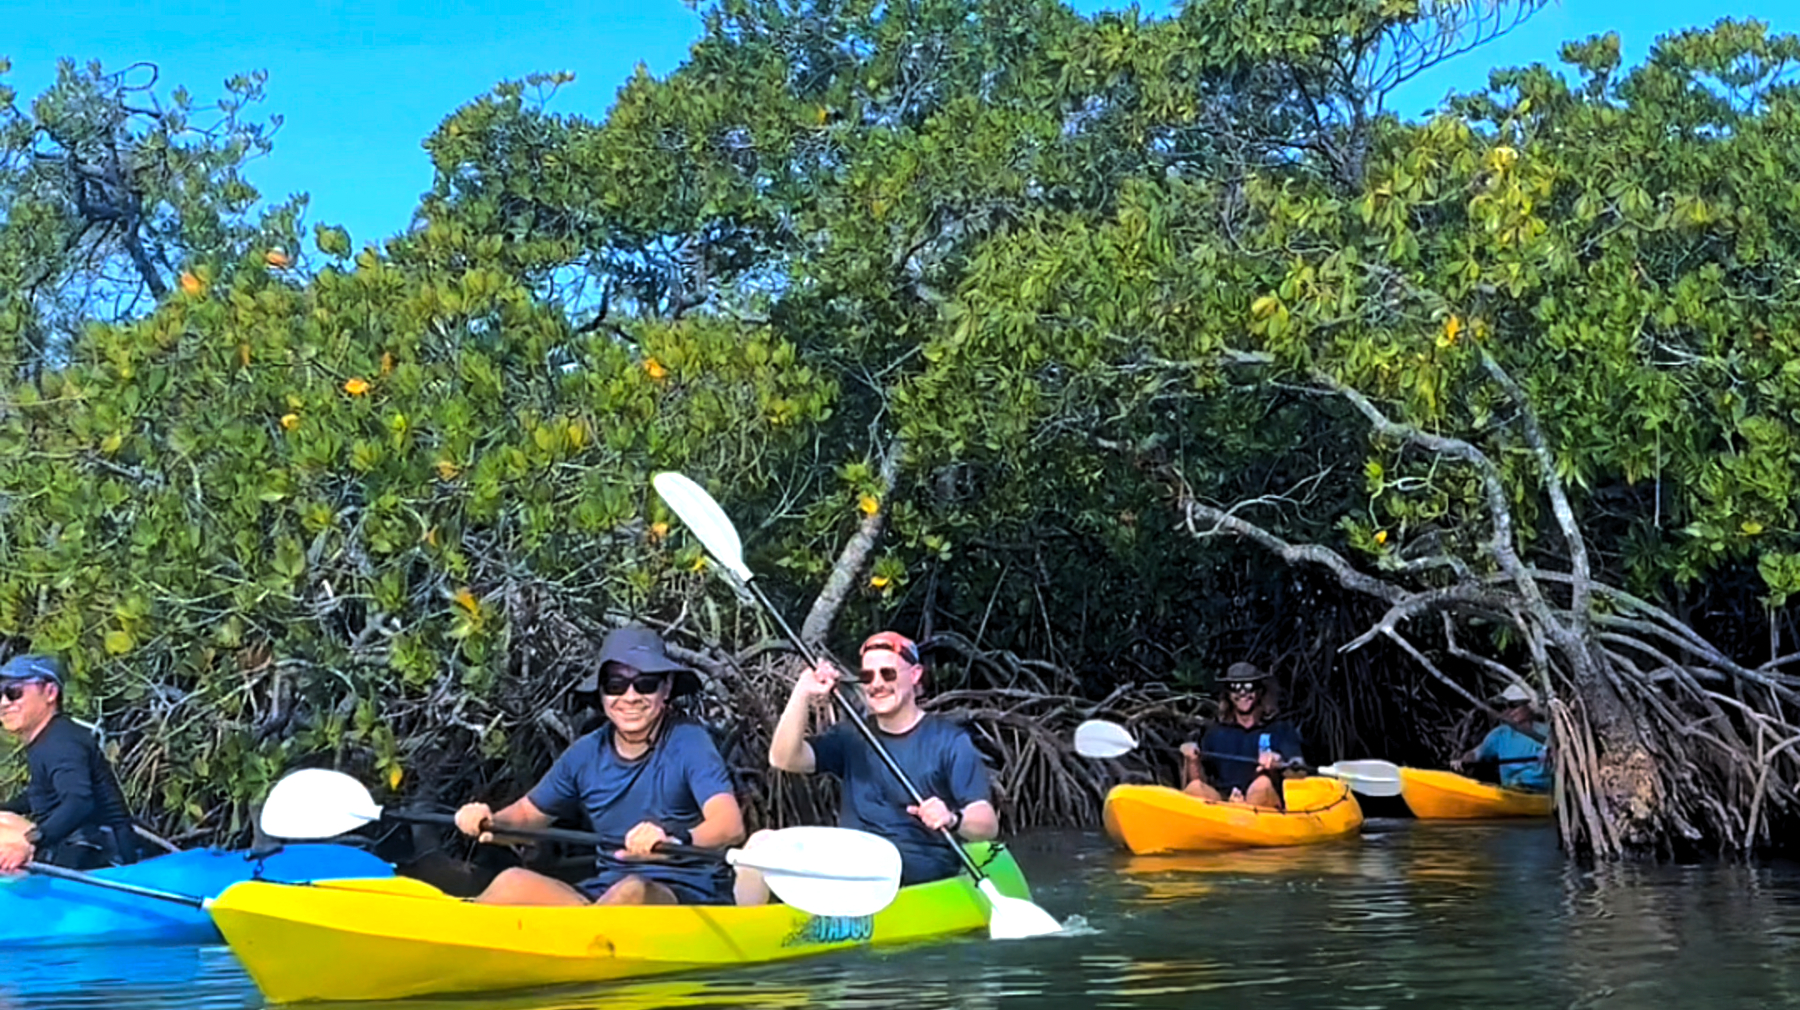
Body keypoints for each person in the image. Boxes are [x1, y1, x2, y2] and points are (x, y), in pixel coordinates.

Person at [452, 625, 745, 906]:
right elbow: (527, 815)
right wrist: (489, 821)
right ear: (602, 692)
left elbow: (729, 825)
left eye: (646, 684)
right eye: (616, 685)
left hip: (686, 894)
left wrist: (674, 841)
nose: (630, 697)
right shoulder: (585, 753)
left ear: (666, 688)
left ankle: (590, 927)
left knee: (634, 891)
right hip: (604, 892)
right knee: (511, 882)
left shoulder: (690, 741)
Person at [737, 630, 997, 904]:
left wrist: (952, 818)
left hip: (914, 873)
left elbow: (987, 823)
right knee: (760, 844)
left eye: (888, 674)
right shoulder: (851, 736)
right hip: (855, 864)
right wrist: (802, 692)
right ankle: (747, 925)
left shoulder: (950, 740)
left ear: (915, 675)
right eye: (867, 676)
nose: (877, 684)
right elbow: (783, 759)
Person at [0, 653, 142, 872]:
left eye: (14, 692)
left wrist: (29, 843)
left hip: (98, 856)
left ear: (50, 693)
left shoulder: (61, 743)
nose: (4, 703)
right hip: (76, 845)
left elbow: (79, 802)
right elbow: (43, 793)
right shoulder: (50, 737)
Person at [1179, 661, 1305, 809]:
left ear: (1260, 691)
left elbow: (1300, 770)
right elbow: (1201, 780)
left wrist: (1280, 762)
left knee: (1262, 785)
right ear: (1228, 694)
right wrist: (1192, 760)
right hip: (1224, 805)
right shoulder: (1215, 732)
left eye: (1249, 686)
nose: (1242, 693)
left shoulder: (1280, 729)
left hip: (1263, 805)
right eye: (1235, 687)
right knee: (1195, 787)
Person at [1454, 683, 1550, 792]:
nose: (1508, 710)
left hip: (1543, 793)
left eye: (1513, 705)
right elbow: (1477, 754)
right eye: (1504, 706)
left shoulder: (1548, 732)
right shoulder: (1500, 734)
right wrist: (1462, 761)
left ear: (1530, 706)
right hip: (1512, 791)